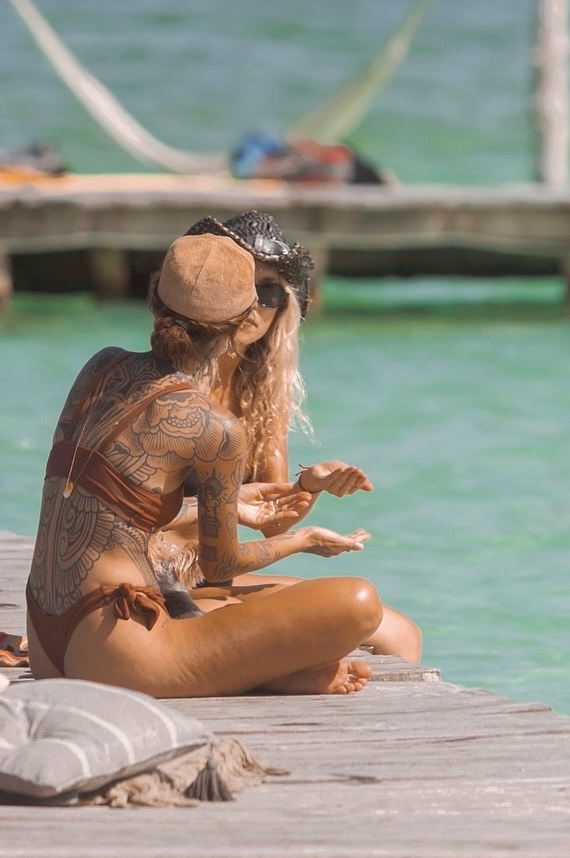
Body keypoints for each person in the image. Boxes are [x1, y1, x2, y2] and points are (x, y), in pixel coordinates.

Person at [26, 231, 383, 695]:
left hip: (42, 636)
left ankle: (279, 674)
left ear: (155, 301)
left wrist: (246, 500)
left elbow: (113, 501)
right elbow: (222, 565)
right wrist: (302, 539)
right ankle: (275, 676)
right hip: (118, 646)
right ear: (242, 322)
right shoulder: (216, 429)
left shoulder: (100, 367)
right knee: (359, 602)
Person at [174, 209, 422, 663]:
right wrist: (294, 533)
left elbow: (269, 518)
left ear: (286, 304)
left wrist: (309, 487)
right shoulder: (173, 388)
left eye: (269, 291)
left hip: (215, 577)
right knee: (349, 633)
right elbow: (128, 515)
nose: (254, 305)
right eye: (242, 285)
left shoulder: (260, 395)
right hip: (164, 583)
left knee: (400, 633)